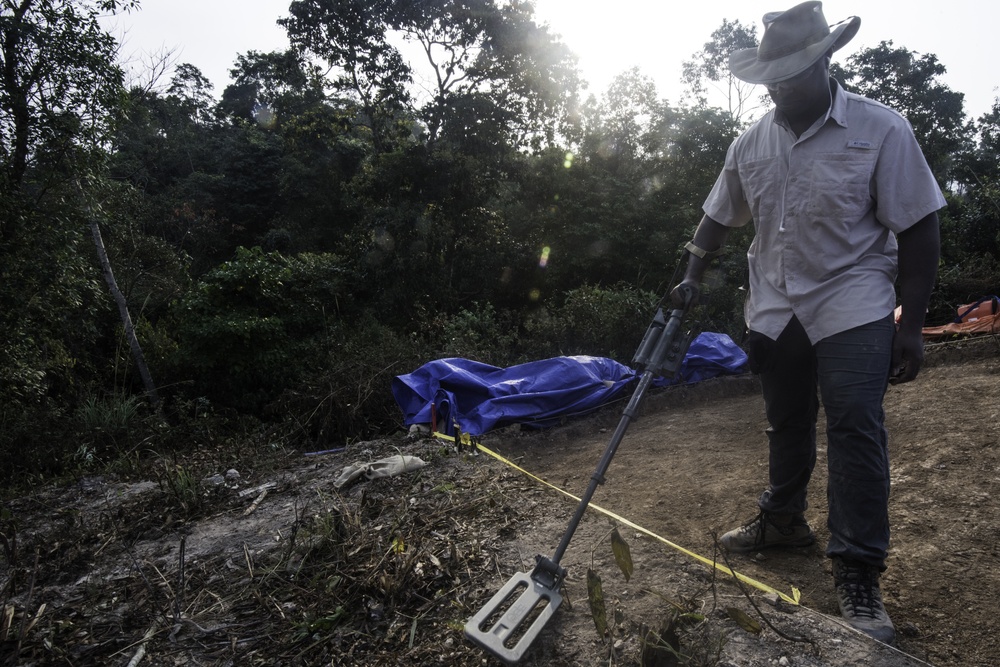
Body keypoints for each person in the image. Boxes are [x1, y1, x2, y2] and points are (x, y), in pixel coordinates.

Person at [671, 1, 943, 645]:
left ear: (824, 62)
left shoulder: (882, 129)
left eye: (793, 73)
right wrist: (690, 272)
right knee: (786, 420)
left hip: (854, 300)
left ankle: (857, 568)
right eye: (772, 77)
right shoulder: (751, 142)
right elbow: (718, 215)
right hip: (775, 304)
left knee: (854, 425)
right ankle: (783, 521)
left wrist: (912, 324)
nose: (781, 87)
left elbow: (920, 226)